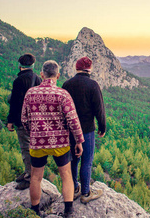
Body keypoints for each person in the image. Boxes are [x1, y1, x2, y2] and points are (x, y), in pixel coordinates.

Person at [22, 60, 84, 217]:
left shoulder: (30, 94)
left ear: (42, 75)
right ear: (58, 76)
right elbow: (73, 120)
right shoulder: (63, 94)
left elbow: (24, 119)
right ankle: (68, 212)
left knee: (36, 177)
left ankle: (35, 211)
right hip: (60, 144)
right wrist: (79, 141)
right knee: (66, 176)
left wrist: (35, 133)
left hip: (37, 144)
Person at [62, 56, 106, 203]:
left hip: (70, 130)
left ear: (76, 67)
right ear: (89, 69)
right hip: (86, 129)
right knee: (87, 160)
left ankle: (74, 188)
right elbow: (99, 109)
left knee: (73, 159)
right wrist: (102, 126)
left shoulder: (67, 84)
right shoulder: (93, 85)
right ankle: (86, 193)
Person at [7, 53, 42, 190]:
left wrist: (10, 121)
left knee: (25, 148)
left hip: (22, 120)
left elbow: (14, 103)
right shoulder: (37, 79)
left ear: (20, 65)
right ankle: (29, 172)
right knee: (32, 148)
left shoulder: (18, 81)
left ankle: (29, 178)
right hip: (35, 120)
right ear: (33, 65)